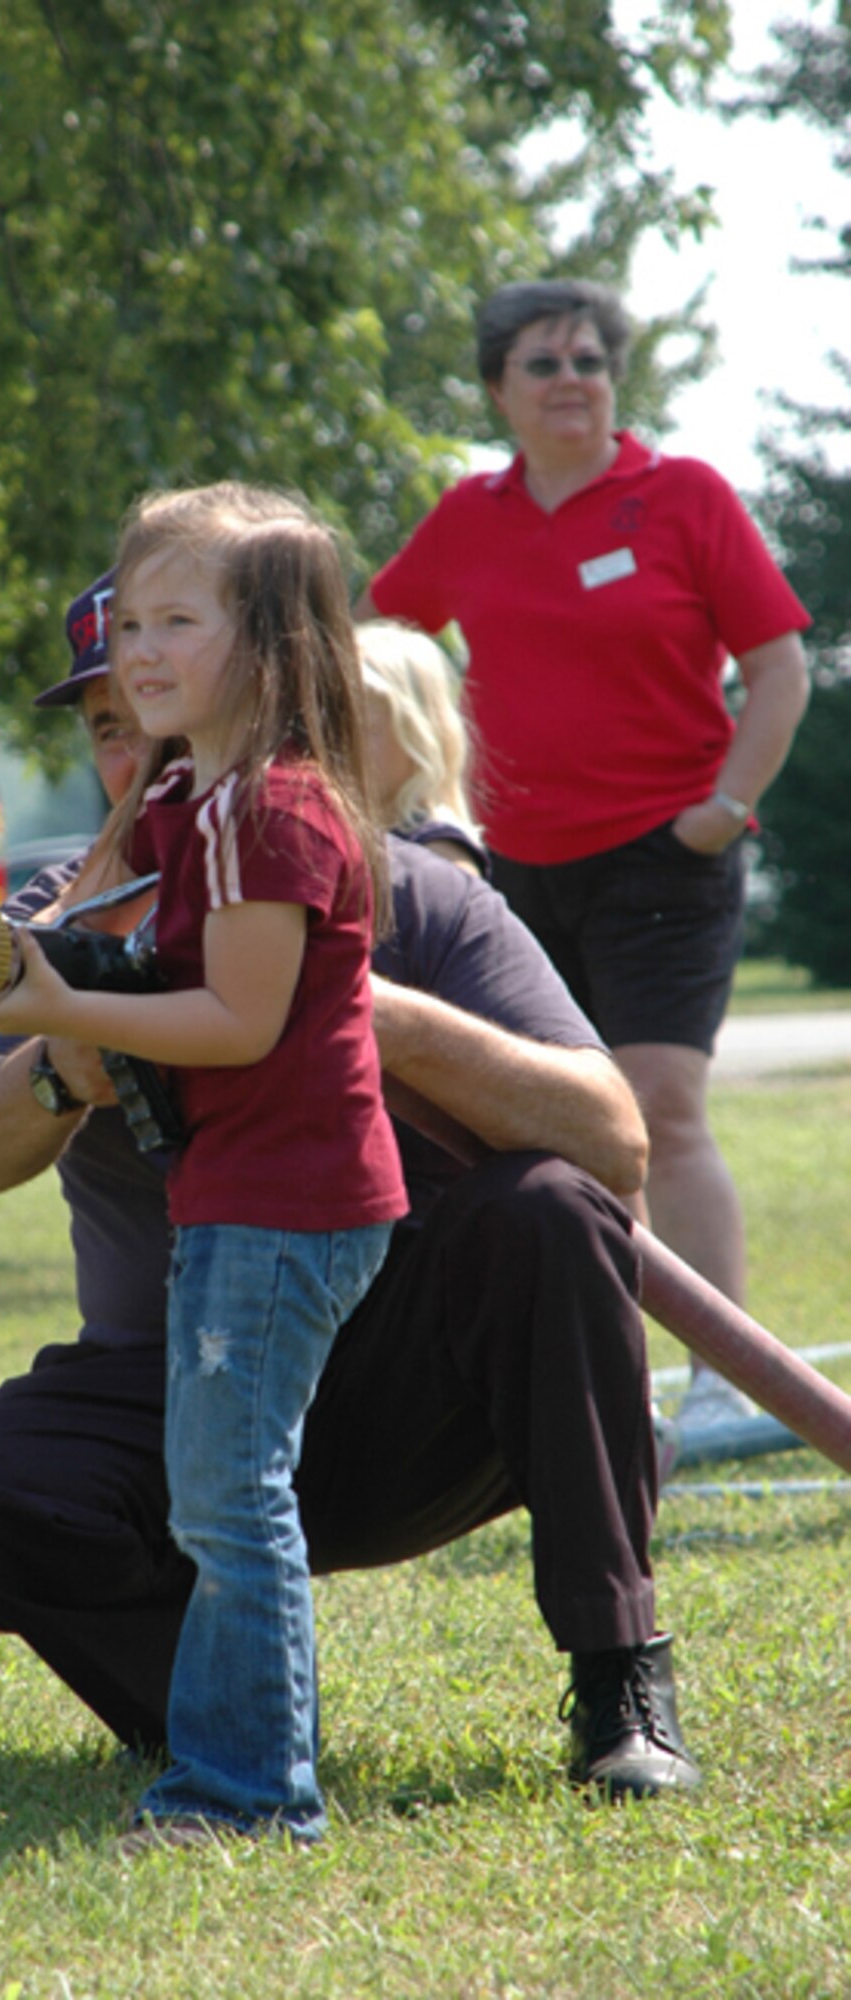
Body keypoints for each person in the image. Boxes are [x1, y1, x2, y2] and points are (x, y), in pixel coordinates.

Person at [0, 560, 704, 1822]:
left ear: (261, 703)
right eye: (110, 725)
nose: (145, 749)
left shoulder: (405, 887)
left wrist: (373, 1011)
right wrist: (70, 1061)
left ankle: (619, 1681)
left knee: (551, 1209)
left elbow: (616, 1143)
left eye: (169, 709)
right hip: (173, 1375)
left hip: (405, 1382)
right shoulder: (49, 927)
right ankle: (222, 1709)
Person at [0, 485, 407, 1846]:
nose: (138, 650)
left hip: (286, 1207)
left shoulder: (269, 811)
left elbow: (238, 1022)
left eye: (176, 622)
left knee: (226, 1494)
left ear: (268, 645)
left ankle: (251, 1791)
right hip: (237, 1200)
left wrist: (54, 1008)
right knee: (222, 1487)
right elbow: (156, 959)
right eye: (130, 620)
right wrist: (43, 965)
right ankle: (236, 1776)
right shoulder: (189, 803)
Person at [355, 278, 811, 1433]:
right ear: (500, 390)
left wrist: (723, 804)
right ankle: (624, 1384)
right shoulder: (469, 516)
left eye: (591, 361)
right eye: (545, 363)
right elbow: (375, 643)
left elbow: (780, 668)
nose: (573, 380)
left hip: (669, 854)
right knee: (566, 1117)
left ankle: (725, 1385)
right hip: (513, 872)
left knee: (659, 1105)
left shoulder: (684, 496)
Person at [357, 619, 484, 874]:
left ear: (418, 738)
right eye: (332, 729)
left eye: (367, 731)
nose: (343, 747)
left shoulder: (442, 856)